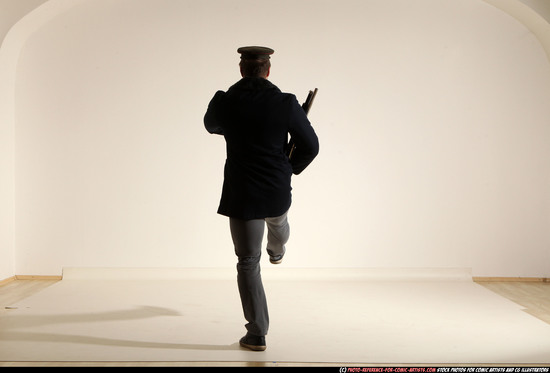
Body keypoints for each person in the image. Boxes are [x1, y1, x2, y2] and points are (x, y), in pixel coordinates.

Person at [204, 46, 319, 351]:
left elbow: (211, 126)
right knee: (279, 223)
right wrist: (288, 170)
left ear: (242, 70)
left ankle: (257, 333)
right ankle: (277, 249)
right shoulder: (285, 103)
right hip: (276, 188)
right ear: (268, 71)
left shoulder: (224, 101)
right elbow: (311, 146)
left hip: (242, 193)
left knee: (247, 261)